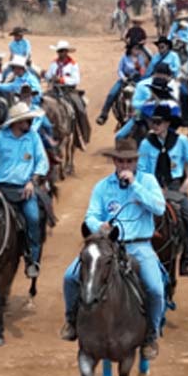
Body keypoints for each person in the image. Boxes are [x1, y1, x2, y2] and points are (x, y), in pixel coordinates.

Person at [60, 137, 166, 360]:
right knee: (70, 277)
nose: (124, 166)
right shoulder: (102, 186)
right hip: (108, 246)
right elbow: (90, 215)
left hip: (139, 245)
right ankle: (71, 321)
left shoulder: (147, 181)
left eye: (129, 162)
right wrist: (99, 226)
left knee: (155, 289)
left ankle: (151, 334)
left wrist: (135, 186)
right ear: (115, 161)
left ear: (136, 162)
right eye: (120, 161)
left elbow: (159, 208)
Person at [0, 102, 50, 278]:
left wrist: (33, 181)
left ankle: (32, 259)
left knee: (33, 218)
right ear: (17, 123)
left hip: (23, 190)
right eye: (27, 120)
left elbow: (42, 161)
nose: (30, 122)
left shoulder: (33, 137)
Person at [137, 103, 188, 276]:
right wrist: (154, 186)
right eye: (153, 122)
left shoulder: (181, 141)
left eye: (158, 122)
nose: (154, 126)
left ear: (167, 123)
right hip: (152, 187)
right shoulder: (146, 144)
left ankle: (186, 259)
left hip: (175, 187)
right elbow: (141, 169)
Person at [97, 44, 148, 126]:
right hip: (125, 79)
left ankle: (143, 115)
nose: (137, 50)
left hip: (137, 80)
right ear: (131, 49)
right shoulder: (124, 58)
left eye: (139, 49)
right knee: (112, 93)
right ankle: (104, 115)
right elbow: (120, 70)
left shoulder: (140, 58)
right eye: (136, 48)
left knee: (145, 95)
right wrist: (124, 78)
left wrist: (141, 71)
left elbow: (143, 71)